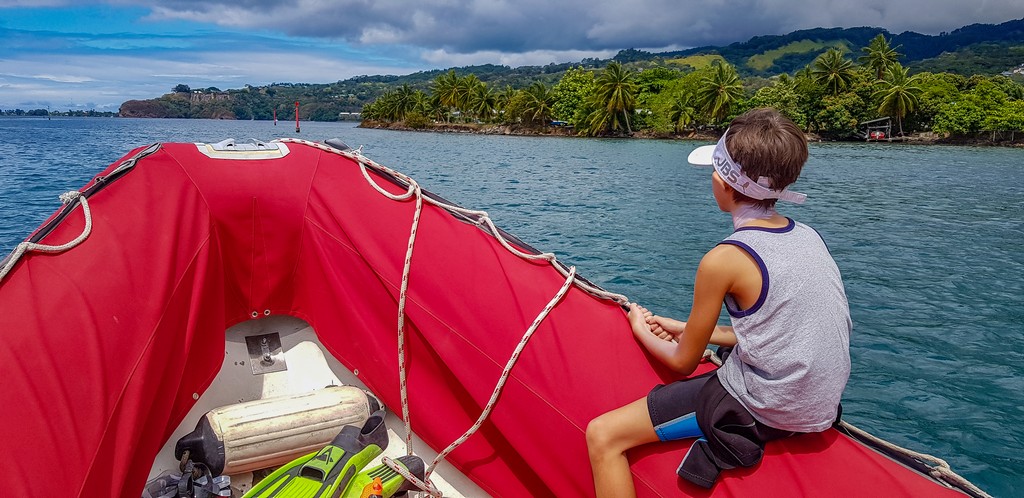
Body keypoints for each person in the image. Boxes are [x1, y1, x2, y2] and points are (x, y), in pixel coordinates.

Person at [586, 108, 851, 495]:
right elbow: (777, 329)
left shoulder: (724, 259)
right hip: (819, 406)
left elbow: (682, 362)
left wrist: (640, 328)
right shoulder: (809, 237)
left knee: (603, 436)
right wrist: (683, 326)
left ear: (722, 183)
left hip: (768, 407)